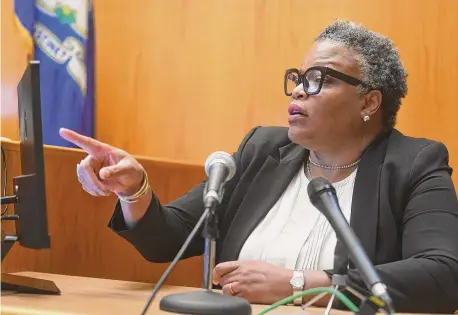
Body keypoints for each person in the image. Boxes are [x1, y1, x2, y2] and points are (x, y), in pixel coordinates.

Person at [60, 20, 458, 313]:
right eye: (299, 77)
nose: (300, 88)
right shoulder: (263, 150)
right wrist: (135, 189)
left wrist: (300, 286)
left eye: (320, 79)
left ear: (369, 103)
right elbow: (170, 237)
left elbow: (442, 275)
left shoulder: (413, 165)